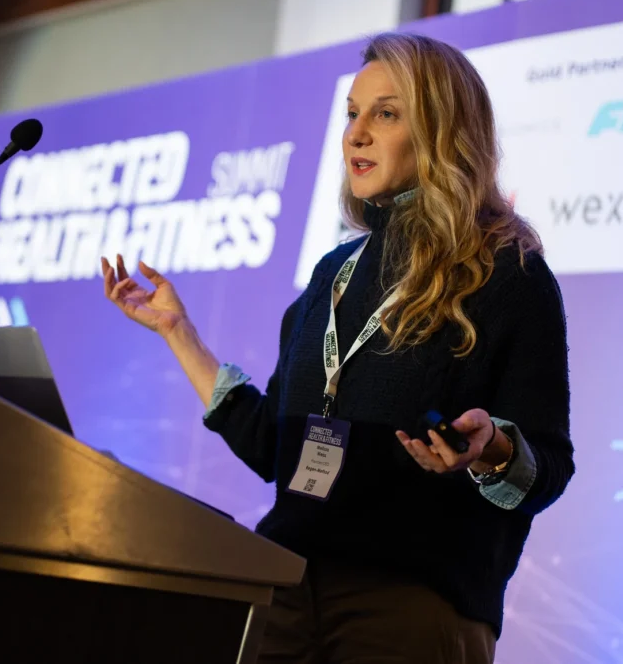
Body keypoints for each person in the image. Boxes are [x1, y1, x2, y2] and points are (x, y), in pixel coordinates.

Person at [100, 32, 573, 664]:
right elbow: (277, 446)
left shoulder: (508, 275)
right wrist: (178, 332)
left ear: (441, 129)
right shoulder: (332, 275)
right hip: (284, 587)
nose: (356, 133)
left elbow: (547, 470)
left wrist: (491, 450)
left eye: (386, 113)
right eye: (352, 113)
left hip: (411, 603)